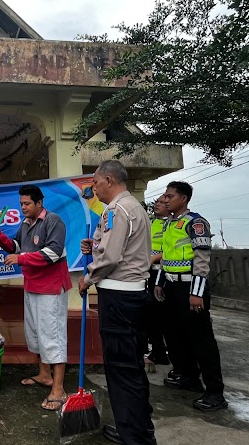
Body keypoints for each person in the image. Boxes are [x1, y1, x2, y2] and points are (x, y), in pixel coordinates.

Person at [79, 160, 156, 445]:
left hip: (119, 298)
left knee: (121, 371)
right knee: (133, 366)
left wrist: (88, 277)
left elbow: (111, 259)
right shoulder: (134, 206)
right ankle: (139, 427)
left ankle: (133, 437)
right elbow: (117, 249)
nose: (95, 189)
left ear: (109, 180)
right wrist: (95, 245)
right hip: (134, 295)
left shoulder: (116, 209)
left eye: (97, 183)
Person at [0, 184, 72, 411]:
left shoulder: (53, 221)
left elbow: (53, 253)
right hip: (33, 286)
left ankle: (58, 388)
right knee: (36, 332)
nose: (23, 208)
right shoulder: (26, 224)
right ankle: (45, 375)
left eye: (27, 204)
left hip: (51, 288)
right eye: (21, 204)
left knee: (53, 335)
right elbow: (16, 246)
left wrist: (21, 258)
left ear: (39, 203)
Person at [154, 181, 227, 412]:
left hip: (190, 289)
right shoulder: (168, 224)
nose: (165, 199)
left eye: (169, 196)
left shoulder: (196, 223)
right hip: (171, 288)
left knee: (201, 340)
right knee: (175, 336)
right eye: (165, 196)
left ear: (183, 198)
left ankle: (215, 392)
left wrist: (196, 294)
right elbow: (165, 257)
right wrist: (159, 283)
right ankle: (189, 377)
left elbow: (202, 260)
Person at [146, 196, 169, 368]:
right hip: (150, 274)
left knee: (166, 316)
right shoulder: (152, 223)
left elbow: (170, 248)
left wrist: (154, 258)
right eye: (157, 202)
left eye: (162, 202)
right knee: (152, 315)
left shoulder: (172, 224)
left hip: (166, 274)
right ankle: (157, 351)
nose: (158, 205)